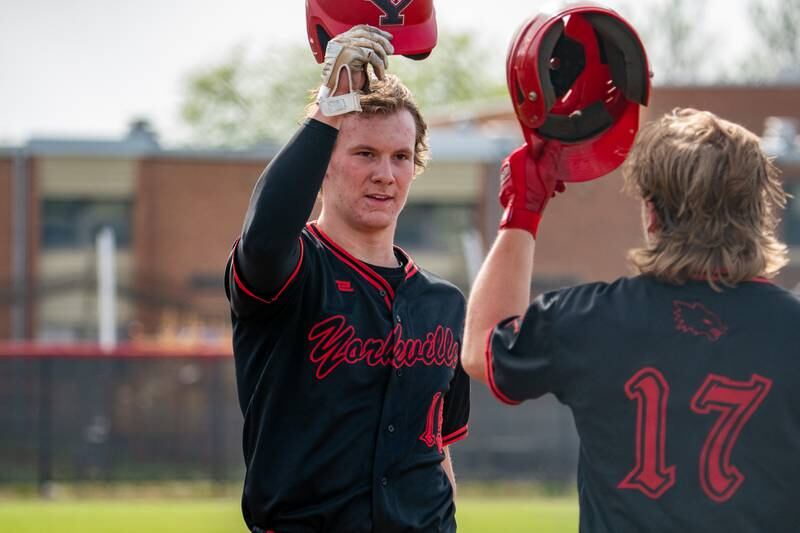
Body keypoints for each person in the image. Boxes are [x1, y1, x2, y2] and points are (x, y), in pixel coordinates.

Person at [461, 108, 800, 532]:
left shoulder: (590, 319)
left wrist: (522, 213)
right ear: (759, 213)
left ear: (652, 214)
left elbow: (481, 346)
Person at [224, 25, 470, 533]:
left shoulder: (444, 303)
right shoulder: (294, 271)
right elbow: (264, 237)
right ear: (323, 165)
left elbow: (437, 450)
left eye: (401, 157)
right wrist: (329, 108)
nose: (385, 174)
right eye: (364, 154)